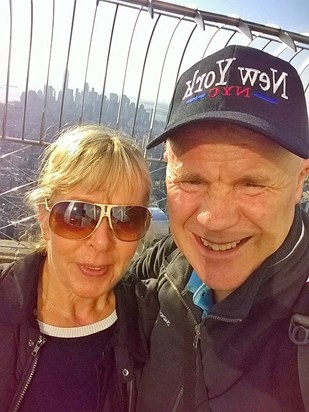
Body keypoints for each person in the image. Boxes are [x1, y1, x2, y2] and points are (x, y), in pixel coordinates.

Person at [132, 45, 309, 411]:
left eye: (251, 184)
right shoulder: (168, 263)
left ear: (300, 180)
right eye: (192, 180)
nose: (214, 220)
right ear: (166, 167)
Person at [0, 124, 156, 412]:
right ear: (45, 218)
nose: (102, 242)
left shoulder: (154, 323)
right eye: (78, 215)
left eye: (125, 218)